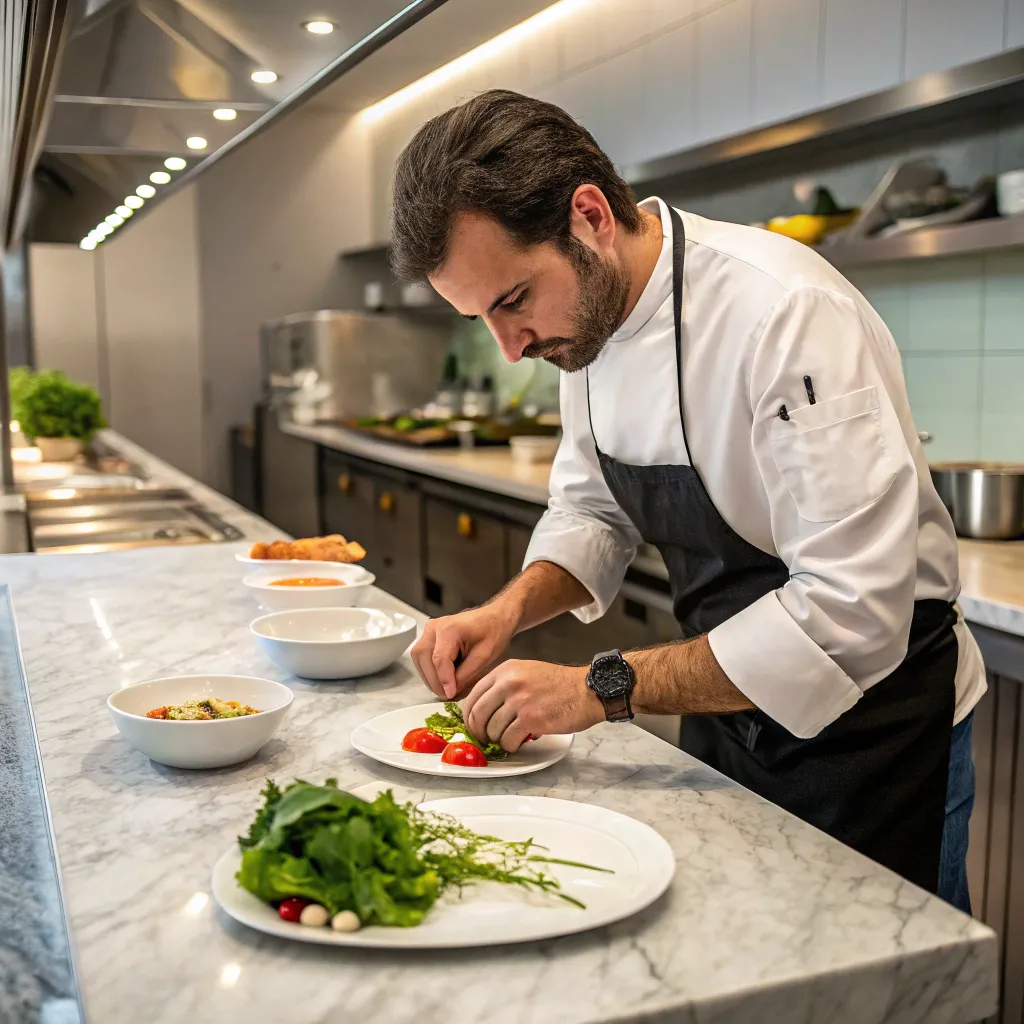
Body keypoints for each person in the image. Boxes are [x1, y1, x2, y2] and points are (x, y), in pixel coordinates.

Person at [389, 89, 985, 913]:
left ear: (590, 216)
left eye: (513, 300)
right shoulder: (585, 328)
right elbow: (593, 512)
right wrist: (506, 613)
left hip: (876, 737)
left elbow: (850, 612)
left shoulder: (784, 311)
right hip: (723, 707)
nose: (510, 347)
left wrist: (596, 687)